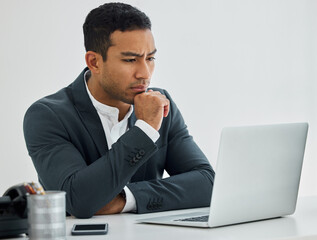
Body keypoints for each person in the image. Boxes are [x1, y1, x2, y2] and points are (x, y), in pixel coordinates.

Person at [23, 2, 215, 218]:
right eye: (130, 60)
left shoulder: (162, 103)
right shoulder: (47, 116)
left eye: (150, 58)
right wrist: (144, 130)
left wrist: (126, 199)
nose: (145, 73)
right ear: (94, 62)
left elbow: (208, 182)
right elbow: (78, 199)